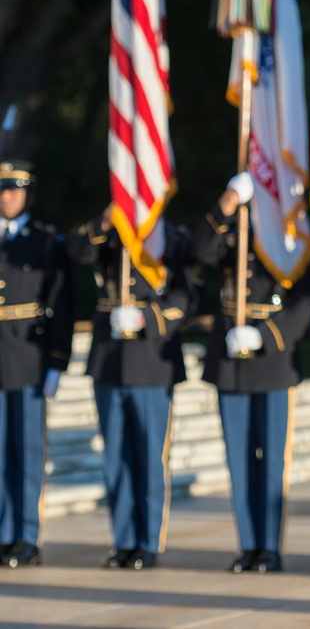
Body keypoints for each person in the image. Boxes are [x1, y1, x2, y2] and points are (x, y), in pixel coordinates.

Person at [190, 172, 310, 574]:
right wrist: (228, 201)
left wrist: (267, 335)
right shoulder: (236, 223)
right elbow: (200, 253)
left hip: (273, 360)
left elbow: (309, 300)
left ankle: (269, 546)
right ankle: (247, 544)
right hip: (230, 356)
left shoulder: (293, 234)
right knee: (238, 458)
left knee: (270, 461)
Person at [67, 208, 199, 570]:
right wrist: (106, 221)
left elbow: (186, 298)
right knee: (116, 458)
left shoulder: (172, 239)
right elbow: (77, 252)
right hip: (109, 357)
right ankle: (123, 539)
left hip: (152, 358)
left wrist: (148, 318)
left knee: (148, 456)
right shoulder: (110, 235)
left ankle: (147, 541)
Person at [0, 160, 74, 568]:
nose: (6, 196)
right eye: (2, 189)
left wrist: (56, 363)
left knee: (26, 452)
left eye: (13, 189)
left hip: (28, 359)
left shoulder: (46, 242)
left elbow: (61, 305)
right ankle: (2, 532)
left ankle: (26, 535)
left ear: (28, 193)